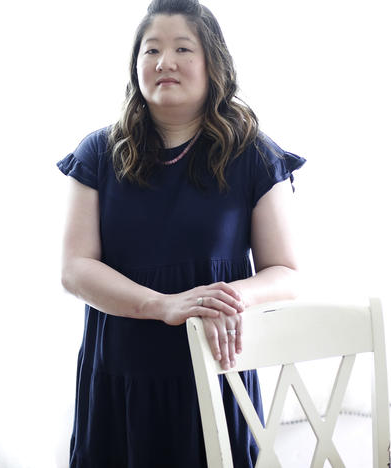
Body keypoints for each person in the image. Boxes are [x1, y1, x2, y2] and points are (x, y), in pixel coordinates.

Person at [57, 0, 304, 466]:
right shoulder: (98, 153)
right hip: (119, 377)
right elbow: (75, 269)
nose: (164, 62)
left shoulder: (252, 153)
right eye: (151, 50)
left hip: (216, 372)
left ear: (214, 63)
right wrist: (162, 305)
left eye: (182, 49)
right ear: (136, 66)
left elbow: (286, 272)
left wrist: (223, 298)